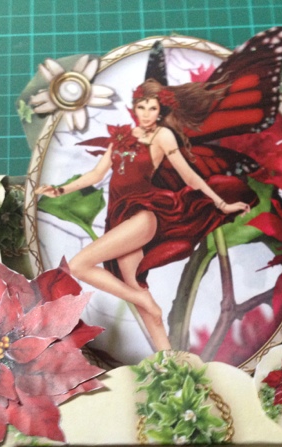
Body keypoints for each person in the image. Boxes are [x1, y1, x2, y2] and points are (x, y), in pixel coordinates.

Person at [37, 79, 252, 351]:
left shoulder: (162, 136)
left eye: (153, 108)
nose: (147, 113)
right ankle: (168, 358)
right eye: (142, 107)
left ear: (160, 111)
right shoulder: (121, 136)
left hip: (142, 216)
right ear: (135, 107)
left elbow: (189, 176)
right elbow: (96, 174)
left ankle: (145, 302)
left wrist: (221, 204)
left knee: (79, 265)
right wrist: (60, 190)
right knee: (141, 298)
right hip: (120, 219)